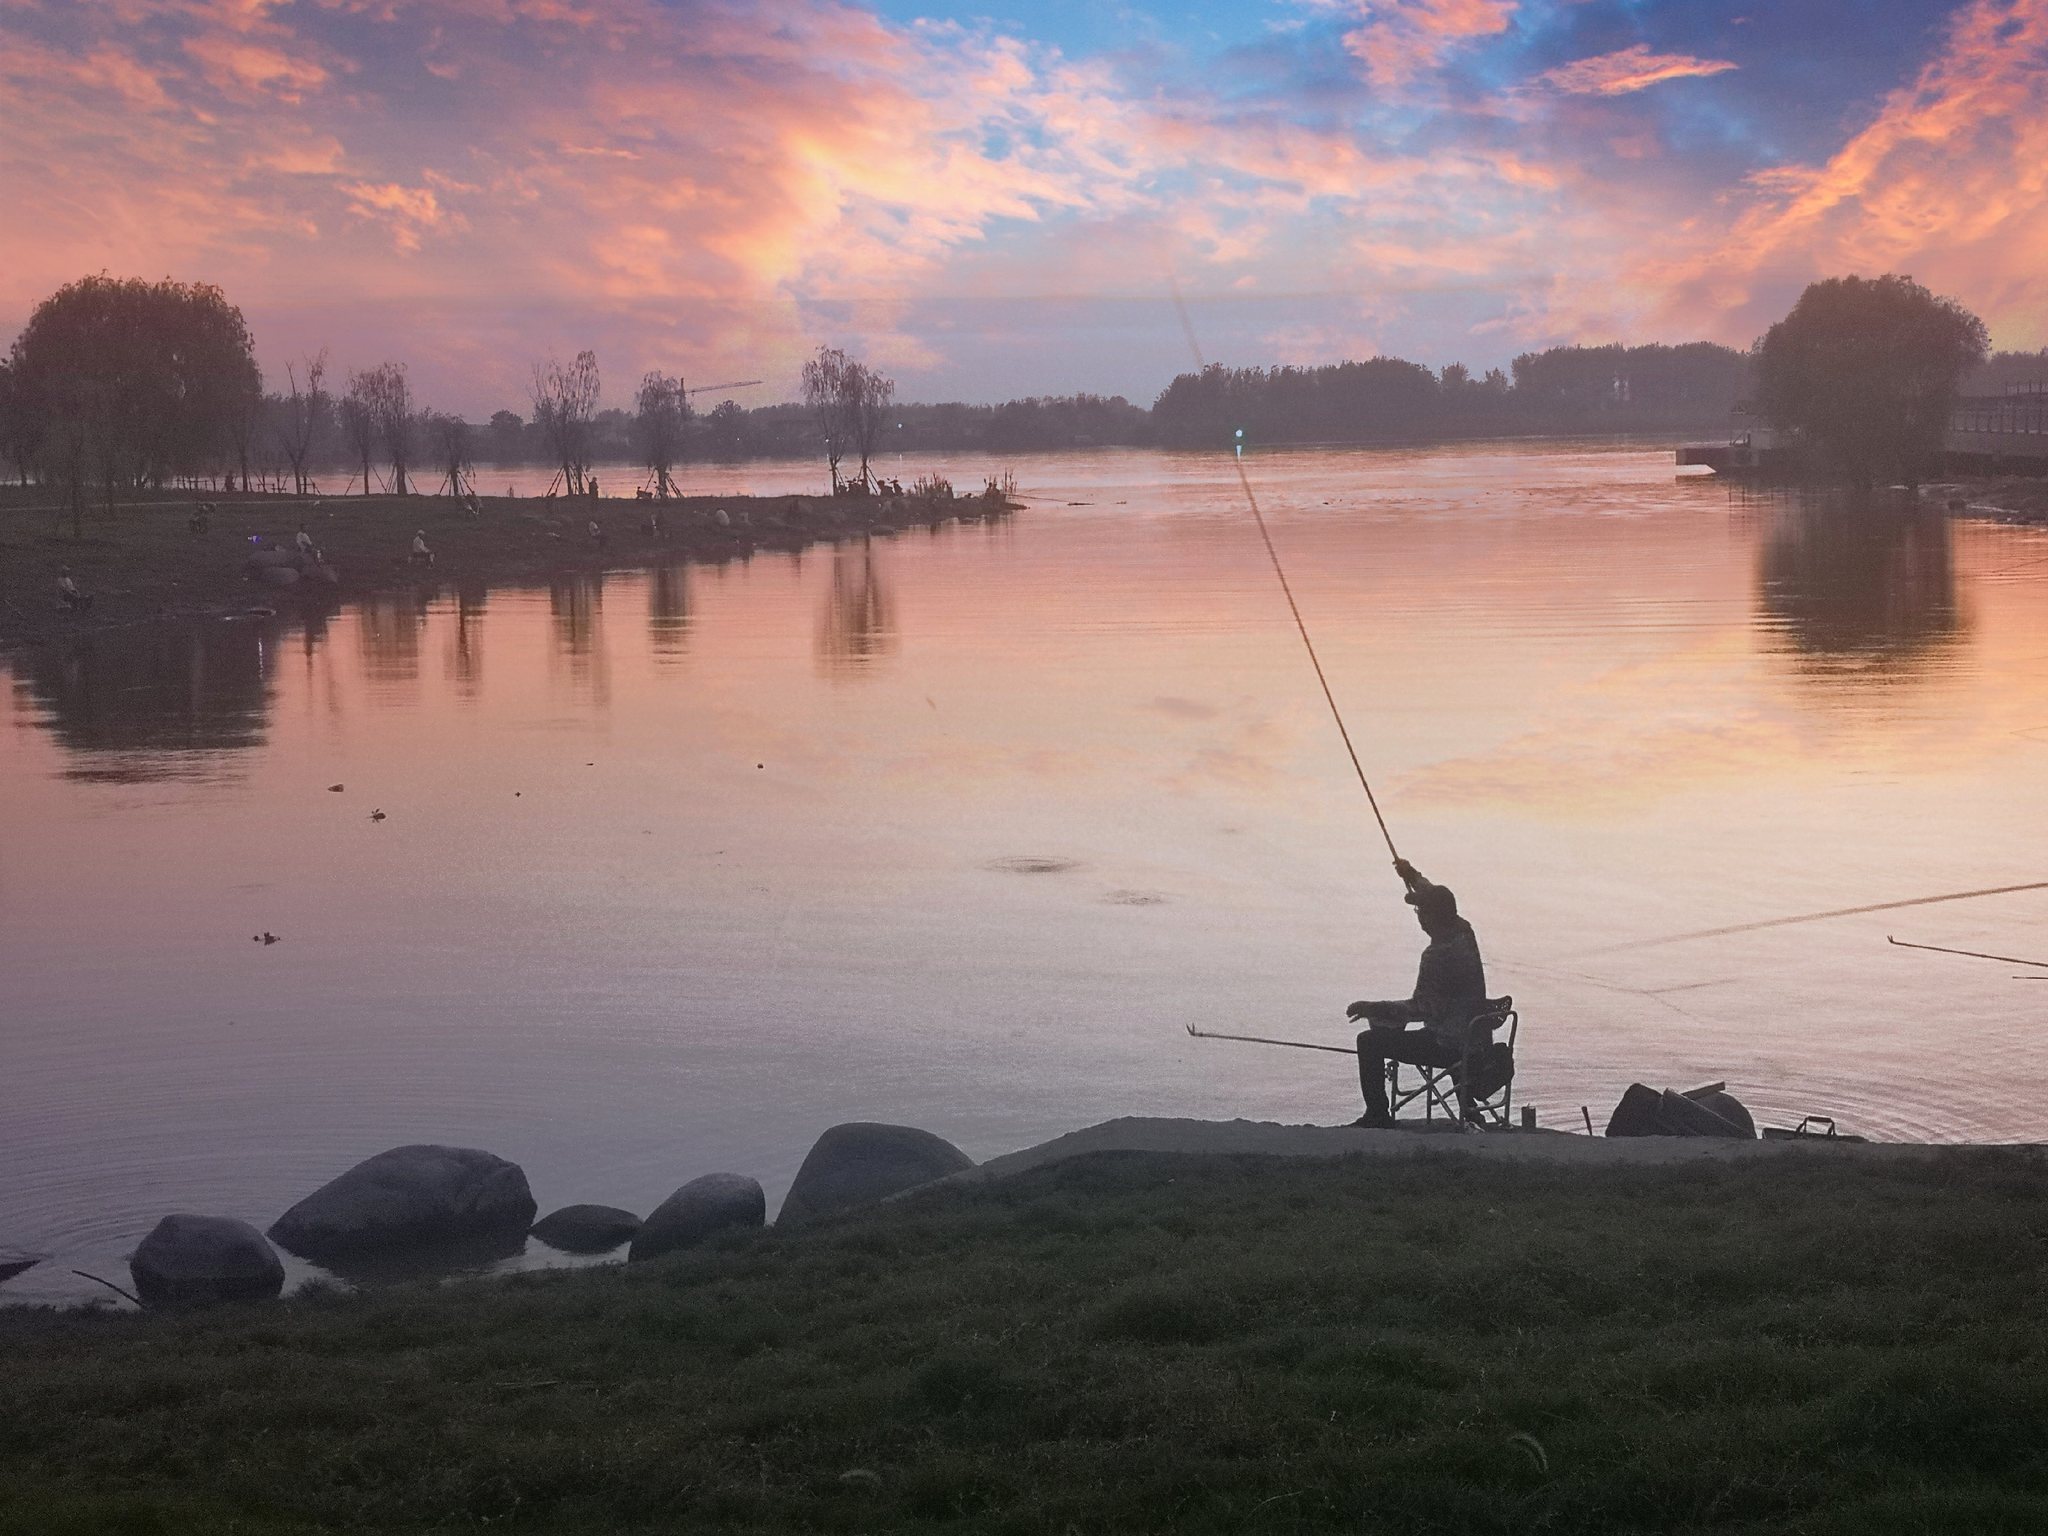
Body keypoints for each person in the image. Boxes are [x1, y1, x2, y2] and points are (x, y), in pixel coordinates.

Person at [1347, 858, 1491, 1128]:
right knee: (1404, 1031)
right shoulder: (1465, 932)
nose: (1419, 919)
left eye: (1421, 913)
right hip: (1475, 1041)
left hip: (1449, 1046)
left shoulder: (1437, 956)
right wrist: (1412, 875)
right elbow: (1438, 896)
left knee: (1369, 1041)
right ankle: (1468, 1106)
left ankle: (1377, 1114)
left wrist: (1372, 1008)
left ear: (1431, 917)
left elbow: (1422, 1009)